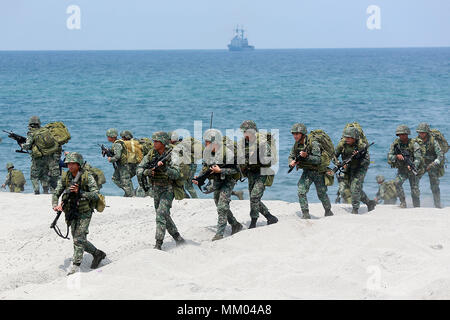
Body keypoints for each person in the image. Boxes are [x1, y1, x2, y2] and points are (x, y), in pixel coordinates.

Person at [52, 152, 106, 276]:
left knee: (78, 239)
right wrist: (55, 205)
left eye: (72, 164)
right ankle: (97, 253)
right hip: (71, 211)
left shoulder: (87, 177)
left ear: (78, 164)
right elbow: (56, 193)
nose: (70, 166)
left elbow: (96, 194)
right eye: (68, 164)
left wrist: (80, 192)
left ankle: (75, 267)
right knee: (78, 239)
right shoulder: (65, 177)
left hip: (84, 211)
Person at [137, 131, 185, 250]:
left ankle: (158, 244)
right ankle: (177, 237)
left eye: (156, 141)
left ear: (163, 142)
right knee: (164, 215)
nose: (154, 143)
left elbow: (177, 174)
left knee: (160, 215)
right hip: (156, 188)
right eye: (153, 141)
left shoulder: (172, 155)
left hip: (168, 188)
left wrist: (164, 168)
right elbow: (139, 168)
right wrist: (147, 172)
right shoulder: (151, 153)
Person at [193, 129, 243, 241]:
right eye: (205, 142)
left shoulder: (227, 153)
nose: (205, 144)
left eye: (207, 142)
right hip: (217, 180)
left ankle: (219, 234)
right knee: (218, 202)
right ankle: (235, 224)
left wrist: (221, 171)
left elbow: (235, 170)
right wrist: (199, 178)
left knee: (222, 206)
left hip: (228, 180)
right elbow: (206, 169)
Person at [238, 120, 278, 228]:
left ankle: (253, 222)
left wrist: (256, 157)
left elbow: (269, 161)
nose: (244, 134)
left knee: (254, 197)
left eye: (246, 132)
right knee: (253, 198)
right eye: (244, 132)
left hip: (263, 173)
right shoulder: (243, 143)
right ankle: (270, 217)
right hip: (251, 173)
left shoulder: (262, 143)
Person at [288, 123, 333, 218]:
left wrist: (306, 156)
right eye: (293, 134)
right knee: (301, 191)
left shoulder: (313, 143)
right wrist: (291, 162)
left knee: (321, 194)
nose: (295, 136)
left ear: (303, 134)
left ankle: (328, 211)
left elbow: (318, 160)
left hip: (318, 172)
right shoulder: (297, 144)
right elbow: (291, 155)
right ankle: (305, 214)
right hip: (307, 172)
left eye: (297, 134)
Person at [334, 127, 376, 214]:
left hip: (360, 168)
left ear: (354, 138)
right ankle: (369, 203)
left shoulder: (361, 146)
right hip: (348, 167)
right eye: (346, 137)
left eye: (349, 137)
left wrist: (358, 158)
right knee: (353, 188)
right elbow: (333, 156)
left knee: (355, 186)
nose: (347, 139)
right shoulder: (342, 144)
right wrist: (338, 164)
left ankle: (355, 209)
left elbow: (366, 161)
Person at [21, 116, 60, 194]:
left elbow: (28, 145)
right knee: (45, 174)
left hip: (38, 158)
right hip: (48, 156)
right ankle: (46, 191)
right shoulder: (45, 130)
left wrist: (22, 145)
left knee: (34, 176)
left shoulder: (31, 133)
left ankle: (36, 191)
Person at [387, 125, 422, 208]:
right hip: (402, 170)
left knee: (415, 190)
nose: (402, 136)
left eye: (403, 134)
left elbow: (418, 158)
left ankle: (417, 206)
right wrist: (396, 156)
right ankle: (403, 202)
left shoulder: (414, 144)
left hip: (412, 170)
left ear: (407, 134)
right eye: (400, 135)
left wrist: (413, 165)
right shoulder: (395, 145)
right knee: (397, 183)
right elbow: (389, 156)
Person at [415, 123, 445, 208]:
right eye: (420, 132)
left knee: (434, 185)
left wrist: (433, 163)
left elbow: (440, 155)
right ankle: (416, 205)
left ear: (427, 132)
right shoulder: (416, 141)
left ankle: (437, 205)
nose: (421, 134)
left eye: (423, 132)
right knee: (414, 183)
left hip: (432, 164)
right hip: (421, 164)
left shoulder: (433, 141)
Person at [105, 128, 134, 197]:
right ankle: (130, 192)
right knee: (116, 178)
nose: (107, 138)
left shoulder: (117, 144)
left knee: (125, 181)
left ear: (111, 137)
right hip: (123, 165)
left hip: (124, 165)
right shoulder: (117, 143)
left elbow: (117, 156)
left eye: (108, 136)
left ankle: (130, 194)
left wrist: (110, 159)